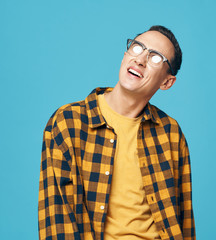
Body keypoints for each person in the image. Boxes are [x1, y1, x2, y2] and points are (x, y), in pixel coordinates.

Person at [38, 25, 195, 240]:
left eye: (156, 58)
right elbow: (57, 219)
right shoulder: (68, 122)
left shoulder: (170, 132)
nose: (141, 60)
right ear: (125, 56)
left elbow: (184, 220)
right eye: (138, 48)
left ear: (167, 82)